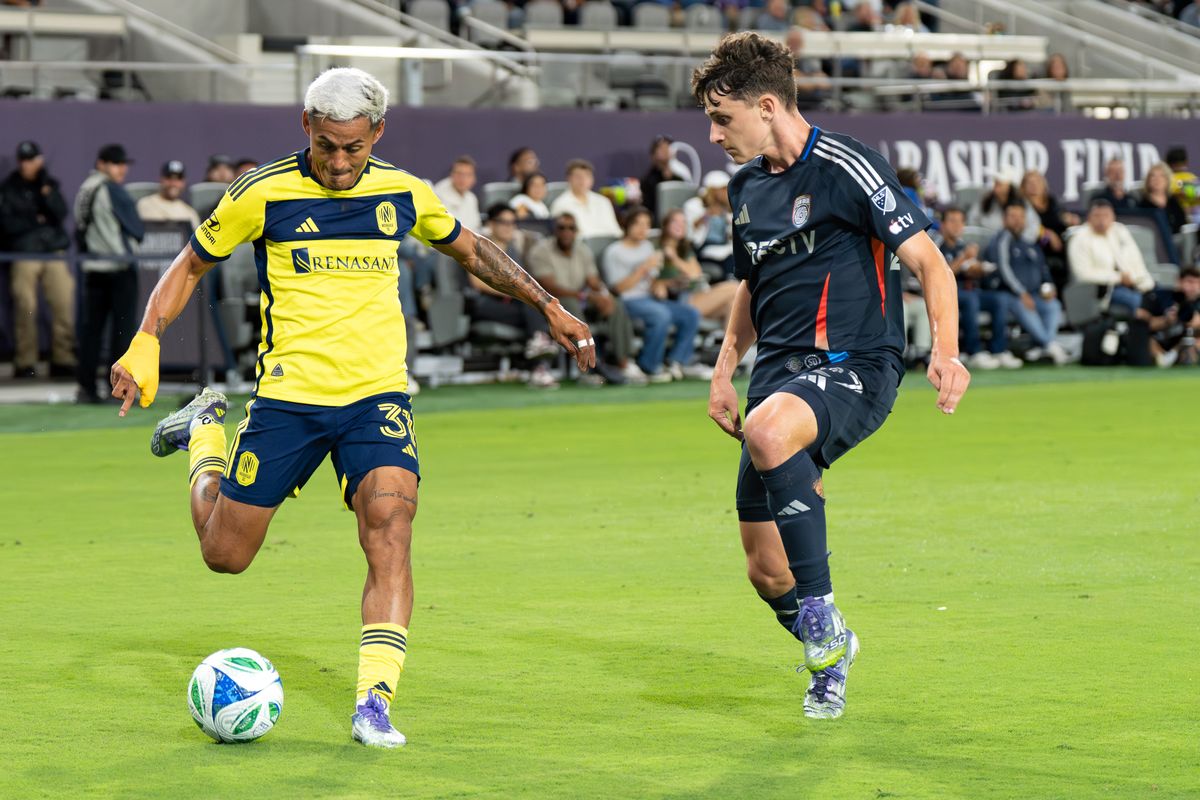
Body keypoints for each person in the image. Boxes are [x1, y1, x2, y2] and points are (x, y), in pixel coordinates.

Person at [108, 68, 594, 749]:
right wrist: (145, 341)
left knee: (391, 528)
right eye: (327, 145)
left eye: (354, 148)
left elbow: (474, 249)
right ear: (306, 127)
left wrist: (549, 306)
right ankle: (204, 430)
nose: (339, 162)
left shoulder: (402, 190)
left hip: (377, 397)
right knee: (224, 555)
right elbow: (190, 264)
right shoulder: (261, 192)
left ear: (378, 135)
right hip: (289, 401)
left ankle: (374, 703)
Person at [693, 32, 970, 720]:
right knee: (765, 569)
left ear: (766, 105)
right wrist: (725, 369)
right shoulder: (746, 188)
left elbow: (930, 264)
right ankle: (831, 651)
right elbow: (751, 287)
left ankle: (820, 619)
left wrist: (946, 350)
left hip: (857, 364)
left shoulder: (848, 164)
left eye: (722, 118)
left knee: (770, 430)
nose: (712, 133)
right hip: (776, 378)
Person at [528, 212, 643, 384]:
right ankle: (586, 369)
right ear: (554, 230)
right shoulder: (541, 250)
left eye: (571, 228)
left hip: (580, 298)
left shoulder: (582, 250)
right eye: (562, 228)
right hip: (552, 302)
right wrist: (586, 295)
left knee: (614, 303)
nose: (567, 232)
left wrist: (604, 295)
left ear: (576, 231)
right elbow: (547, 287)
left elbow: (593, 281)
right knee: (571, 305)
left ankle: (625, 363)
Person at [74, 143, 145, 403]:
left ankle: (87, 388)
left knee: (91, 332)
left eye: (123, 163)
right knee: (122, 332)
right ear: (102, 163)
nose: (122, 169)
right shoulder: (110, 189)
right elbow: (137, 229)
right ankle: (120, 390)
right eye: (116, 163)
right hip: (119, 267)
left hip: (93, 266)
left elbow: (79, 229)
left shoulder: (85, 188)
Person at [0, 140, 75, 379]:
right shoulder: (10, 187)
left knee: (63, 303)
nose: (27, 165)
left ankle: (62, 358)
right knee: (26, 307)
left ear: (39, 160)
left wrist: (46, 191)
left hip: (52, 250)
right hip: (24, 252)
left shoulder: (48, 184)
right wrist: (37, 220)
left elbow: (61, 213)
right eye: (23, 160)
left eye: (31, 160)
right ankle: (26, 361)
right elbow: (7, 224)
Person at [602, 206, 701, 382]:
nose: (643, 229)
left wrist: (659, 285)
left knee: (690, 314)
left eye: (647, 224)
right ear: (628, 225)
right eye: (638, 224)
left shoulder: (648, 246)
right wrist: (642, 269)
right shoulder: (614, 251)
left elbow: (652, 278)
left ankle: (676, 361)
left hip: (649, 298)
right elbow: (617, 288)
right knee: (660, 315)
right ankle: (650, 365)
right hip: (628, 300)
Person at [470, 204, 560, 388]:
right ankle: (539, 356)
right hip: (484, 303)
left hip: (512, 305)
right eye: (503, 222)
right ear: (490, 224)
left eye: (512, 223)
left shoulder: (514, 249)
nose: (508, 227)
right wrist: (513, 291)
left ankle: (538, 355)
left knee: (533, 307)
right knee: (532, 308)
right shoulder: (478, 245)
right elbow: (477, 284)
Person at [935, 207, 1020, 369]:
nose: (957, 226)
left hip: (968, 291)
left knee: (999, 299)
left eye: (960, 222)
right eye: (952, 221)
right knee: (971, 298)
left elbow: (968, 269)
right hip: (946, 295)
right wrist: (963, 259)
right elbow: (941, 277)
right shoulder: (936, 246)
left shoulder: (961, 245)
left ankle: (998, 350)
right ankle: (973, 351)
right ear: (943, 225)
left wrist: (979, 269)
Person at [984, 204, 1068, 364]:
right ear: (1004, 220)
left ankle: (1043, 346)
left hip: (1035, 294)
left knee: (1053, 305)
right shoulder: (1001, 240)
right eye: (1012, 217)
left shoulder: (1029, 243)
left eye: (1020, 217)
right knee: (1025, 307)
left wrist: (1049, 287)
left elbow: (1043, 268)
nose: (1017, 221)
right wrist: (1021, 292)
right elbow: (1003, 269)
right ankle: (1049, 344)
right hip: (1011, 294)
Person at [1067, 199, 1155, 315]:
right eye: (1097, 216)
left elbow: (1137, 261)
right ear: (1089, 217)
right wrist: (1118, 278)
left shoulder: (1120, 231)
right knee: (1137, 301)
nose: (1102, 220)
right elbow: (1082, 275)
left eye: (1106, 215)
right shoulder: (1079, 238)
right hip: (1104, 291)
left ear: (1113, 216)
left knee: (1161, 297)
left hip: (1133, 284)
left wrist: (1144, 283)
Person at [659, 208, 737, 332]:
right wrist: (672, 258)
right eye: (675, 222)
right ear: (666, 225)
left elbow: (695, 273)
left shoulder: (684, 250)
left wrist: (674, 258)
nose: (680, 225)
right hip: (679, 301)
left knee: (733, 304)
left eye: (683, 222)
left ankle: (728, 350)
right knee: (735, 288)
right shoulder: (658, 249)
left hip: (697, 294)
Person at [1136, 267, 1200, 367]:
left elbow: (1195, 323)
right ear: (1179, 281)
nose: (1194, 287)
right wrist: (1167, 320)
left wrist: (1193, 319)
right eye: (1190, 282)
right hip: (1159, 341)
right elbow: (1145, 321)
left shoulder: (1196, 302)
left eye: (1197, 283)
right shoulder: (1162, 296)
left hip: (1182, 343)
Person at [549, 159, 622, 241]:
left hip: (608, 245)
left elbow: (616, 230)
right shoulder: (561, 204)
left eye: (587, 176)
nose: (583, 180)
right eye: (578, 176)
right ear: (569, 178)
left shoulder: (603, 201)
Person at [683, 170, 735, 277]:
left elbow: (731, 234)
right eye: (723, 189)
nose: (727, 192)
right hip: (702, 248)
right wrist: (707, 215)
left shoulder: (729, 209)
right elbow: (689, 233)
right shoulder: (693, 205)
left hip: (724, 247)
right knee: (729, 260)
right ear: (713, 190)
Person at [136, 160, 201, 228]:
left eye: (178, 179)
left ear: (184, 182)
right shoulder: (144, 204)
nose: (173, 183)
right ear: (161, 179)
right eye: (169, 177)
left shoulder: (190, 213)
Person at [640, 134, 685, 222]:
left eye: (667, 147)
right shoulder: (647, 181)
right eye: (661, 148)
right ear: (653, 154)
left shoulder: (679, 179)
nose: (665, 150)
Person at [433, 155, 482, 231]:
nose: (463, 179)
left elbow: (476, 227)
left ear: (474, 179)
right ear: (451, 175)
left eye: (468, 175)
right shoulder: (438, 195)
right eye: (459, 173)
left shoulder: (472, 198)